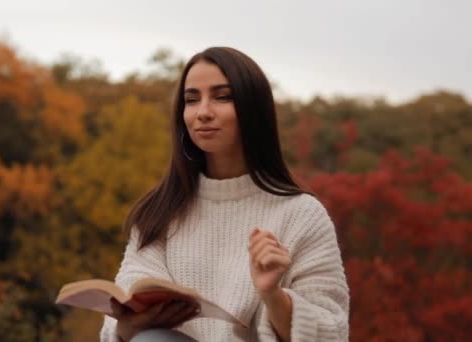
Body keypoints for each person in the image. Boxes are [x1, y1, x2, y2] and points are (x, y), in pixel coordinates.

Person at [99, 47, 349, 341]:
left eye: (222, 97)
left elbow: (331, 332)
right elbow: (119, 322)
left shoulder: (302, 215)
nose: (203, 112)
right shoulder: (159, 213)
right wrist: (126, 329)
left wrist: (272, 295)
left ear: (252, 110)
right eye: (192, 100)